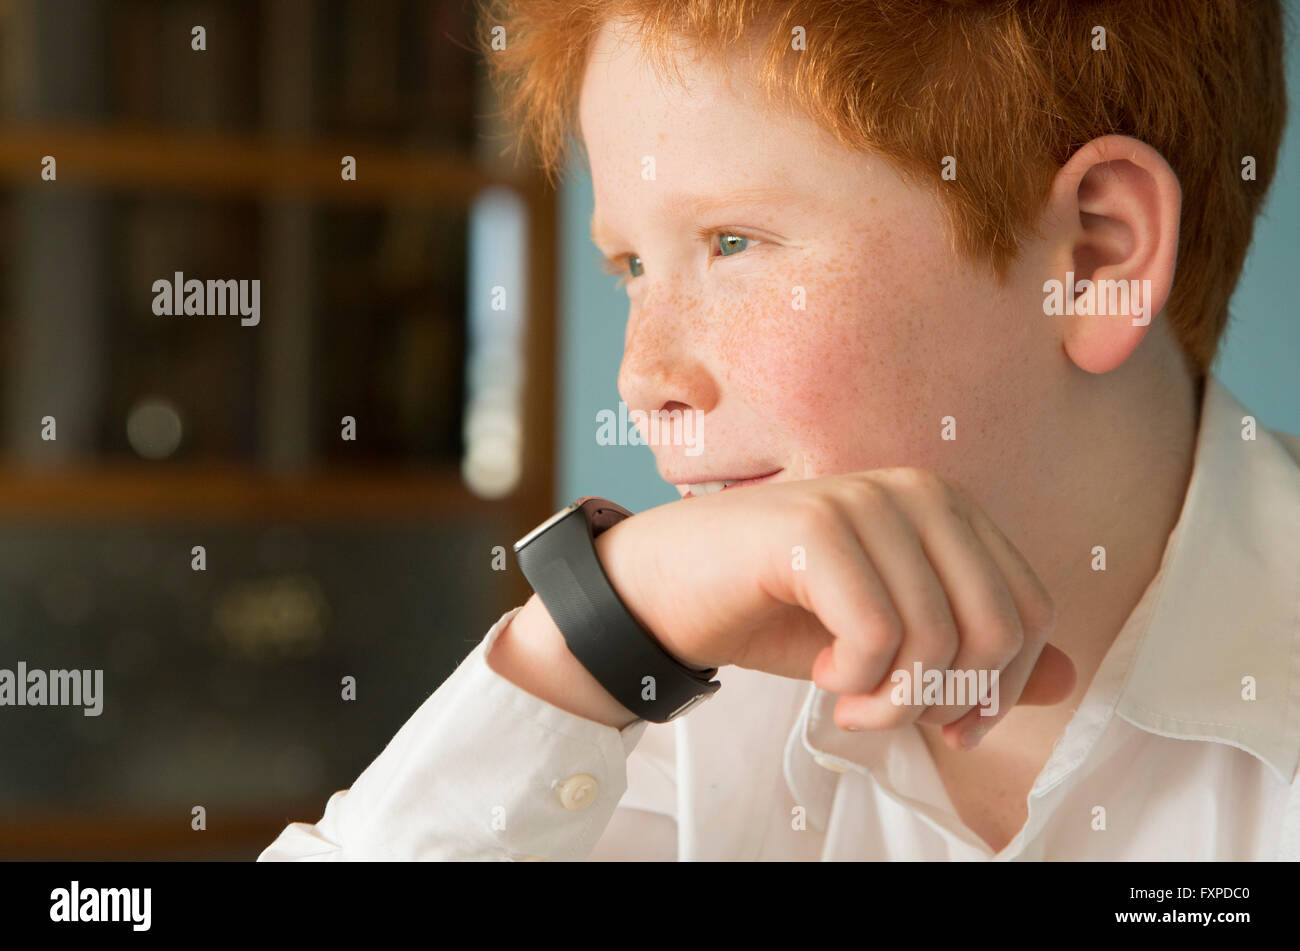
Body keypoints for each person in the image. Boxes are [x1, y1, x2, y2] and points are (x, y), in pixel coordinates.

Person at [260, 0, 1299, 861]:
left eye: (731, 243)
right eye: (630, 266)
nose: (643, 377)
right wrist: (591, 637)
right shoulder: (650, 715)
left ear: (1094, 256)